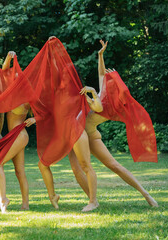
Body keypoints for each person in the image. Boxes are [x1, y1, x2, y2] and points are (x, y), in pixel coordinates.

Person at [76, 40, 158, 207]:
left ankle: (145, 194)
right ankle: (93, 200)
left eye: (111, 83)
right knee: (82, 167)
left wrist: (91, 91)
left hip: (88, 135)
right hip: (84, 133)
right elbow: (101, 74)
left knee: (113, 165)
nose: (107, 83)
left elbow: (97, 104)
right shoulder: (104, 94)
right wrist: (100, 55)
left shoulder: (111, 108)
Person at [25, 36, 103, 212]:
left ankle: (93, 201)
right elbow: (52, 66)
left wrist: (92, 92)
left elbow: (98, 107)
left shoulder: (80, 93)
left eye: (68, 73)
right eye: (64, 72)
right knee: (43, 164)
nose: (64, 73)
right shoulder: (57, 90)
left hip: (75, 132)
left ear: (74, 76)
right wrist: (52, 45)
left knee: (84, 167)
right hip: (62, 135)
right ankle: (53, 195)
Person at [0, 51, 31, 211]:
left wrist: (35, 119)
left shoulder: (22, 100)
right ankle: (25, 205)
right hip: (15, 135)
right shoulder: (15, 96)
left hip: (19, 135)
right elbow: (4, 72)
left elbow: (44, 113)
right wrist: (8, 57)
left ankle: (1, 199)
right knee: (19, 171)